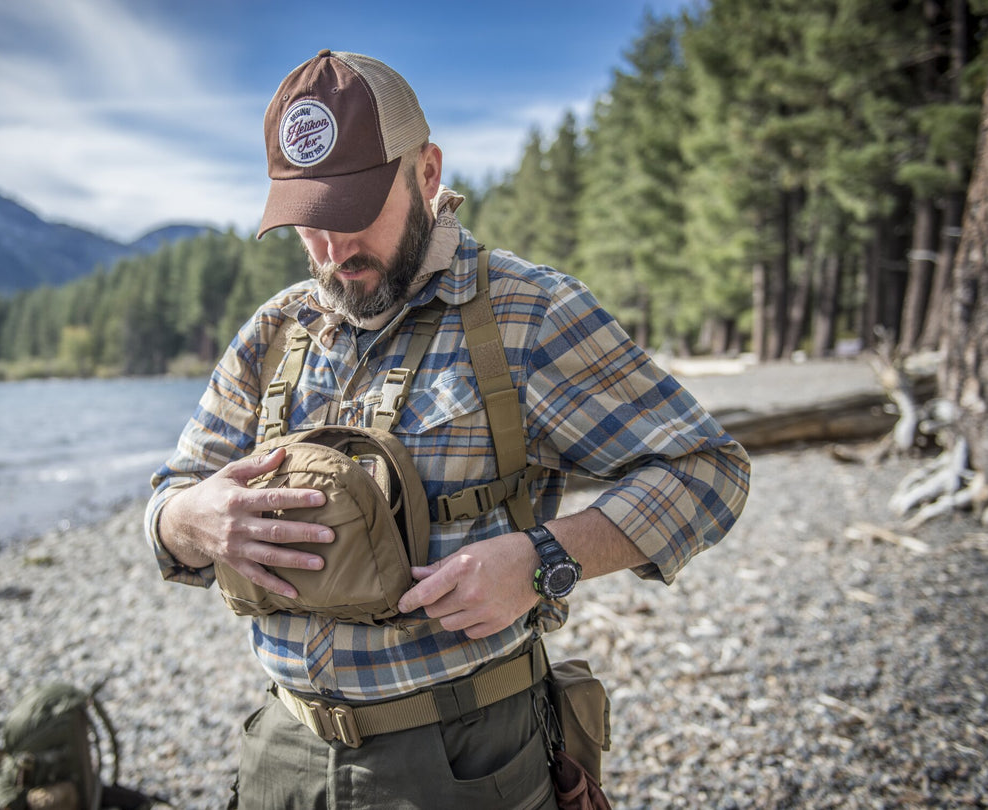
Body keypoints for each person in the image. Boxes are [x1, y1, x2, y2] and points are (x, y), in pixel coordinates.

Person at [146, 49, 751, 809]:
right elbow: (167, 500)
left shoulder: (530, 314)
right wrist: (189, 520)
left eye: (354, 214)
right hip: (282, 754)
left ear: (426, 174)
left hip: (466, 760)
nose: (332, 254)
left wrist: (543, 561)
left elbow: (707, 469)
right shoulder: (273, 331)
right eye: (309, 225)